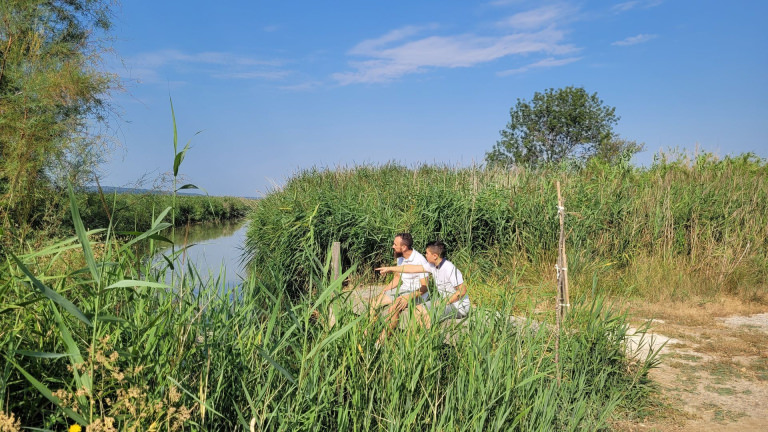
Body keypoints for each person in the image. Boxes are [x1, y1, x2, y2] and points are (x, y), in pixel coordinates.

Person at [376, 240, 470, 328]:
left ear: (435, 256)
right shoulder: (433, 266)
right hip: (445, 302)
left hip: (458, 307)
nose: (425, 255)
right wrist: (390, 269)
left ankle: (425, 342)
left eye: (427, 253)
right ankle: (411, 341)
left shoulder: (449, 268)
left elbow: (462, 291)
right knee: (417, 310)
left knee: (425, 314)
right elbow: (411, 269)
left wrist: (441, 303)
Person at [368, 233, 430, 339]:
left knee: (393, 308)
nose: (393, 246)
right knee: (374, 302)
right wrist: (385, 290)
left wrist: (408, 297)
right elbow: (397, 278)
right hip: (403, 289)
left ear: (404, 247)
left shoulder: (420, 260)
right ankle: (368, 334)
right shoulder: (400, 257)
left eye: (395, 244)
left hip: (416, 293)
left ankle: (381, 342)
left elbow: (425, 287)